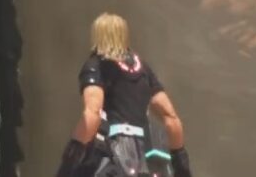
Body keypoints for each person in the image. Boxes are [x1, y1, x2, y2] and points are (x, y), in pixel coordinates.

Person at [56, 13, 193, 177]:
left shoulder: (96, 65)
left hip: (112, 153)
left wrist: (70, 160)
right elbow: (171, 118)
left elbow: (92, 114)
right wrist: (182, 167)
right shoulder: (143, 69)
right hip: (143, 156)